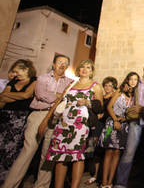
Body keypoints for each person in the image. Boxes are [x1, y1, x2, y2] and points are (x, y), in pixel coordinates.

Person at [2, 55, 73, 188]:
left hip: (56, 117)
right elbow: (41, 94)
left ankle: (42, 186)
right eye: (59, 62)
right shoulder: (42, 78)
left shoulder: (69, 82)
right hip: (38, 114)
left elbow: (66, 99)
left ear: (67, 67)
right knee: (27, 151)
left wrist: (59, 97)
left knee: (47, 155)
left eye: (65, 63)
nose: (62, 65)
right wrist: (58, 96)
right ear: (53, 64)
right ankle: (9, 185)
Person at [38, 59, 104, 188]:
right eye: (83, 67)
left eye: (88, 68)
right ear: (79, 70)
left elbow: (100, 107)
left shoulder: (96, 86)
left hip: (80, 125)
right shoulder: (71, 84)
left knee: (77, 156)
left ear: (92, 71)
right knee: (60, 155)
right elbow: (58, 102)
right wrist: (45, 120)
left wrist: (87, 102)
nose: (85, 69)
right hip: (63, 123)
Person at [114, 60, 144, 188]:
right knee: (129, 151)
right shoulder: (135, 82)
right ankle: (120, 183)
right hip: (134, 121)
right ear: (143, 67)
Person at [98, 72, 139, 188]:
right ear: (127, 80)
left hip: (124, 126)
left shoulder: (135, 96)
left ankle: (110, 183)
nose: (132, 82)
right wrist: (115, 120)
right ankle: (103, 182)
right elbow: (109, 106)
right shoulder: (119, 92)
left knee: (117, 153)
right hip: (112, 124)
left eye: (135, 80)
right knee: (109, 152)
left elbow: (133, 113)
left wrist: (125, 118)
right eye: (131, 79)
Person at [0, 59, 37, 184]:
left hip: (20, 118)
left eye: (17, 71)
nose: (15, 74)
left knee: (12, 150)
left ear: (26, 69)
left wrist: (10, 96)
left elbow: (26, 96)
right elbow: (2, 97)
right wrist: (17, 96)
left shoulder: (34, 80)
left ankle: (6, 180)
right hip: (5, 117)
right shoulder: (13, 81)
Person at [85, 76, 118, 186]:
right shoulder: (101, 97)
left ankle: (103, 178)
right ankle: (95, 175)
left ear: (114, 87)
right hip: (98, 125)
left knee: (105, 150)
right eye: (106, 85)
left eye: (110, 85)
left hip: (108, 126)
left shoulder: (115, 96)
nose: (107, 87)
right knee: (96, 151)